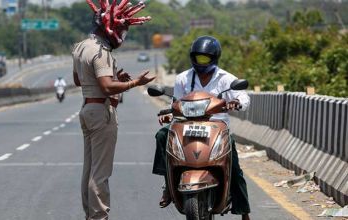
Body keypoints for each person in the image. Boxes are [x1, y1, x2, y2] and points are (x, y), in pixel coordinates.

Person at [152, 36, 251, 220]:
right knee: (162, 135)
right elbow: (176, 102)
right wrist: (170, 114)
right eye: (198, 58)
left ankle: (244, 211)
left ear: (214, 58)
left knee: (234, 167)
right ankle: (168, 185)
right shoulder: (183, 78)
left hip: (217, 127)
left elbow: (244, 98)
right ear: (192, 57)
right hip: (185, 124)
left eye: (205, 58)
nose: (201, 62)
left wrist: (236, 102)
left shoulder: (226, 79)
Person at [72, 1, 154, 220]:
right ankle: (99, 216)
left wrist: (117, 79)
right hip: (101, 111)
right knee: (100, 173)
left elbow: (78, 80)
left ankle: (90, 214)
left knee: (89, 169)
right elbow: (107, 87)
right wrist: (135, 82)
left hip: (87, 109)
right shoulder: (101, 51)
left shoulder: (80, 47)